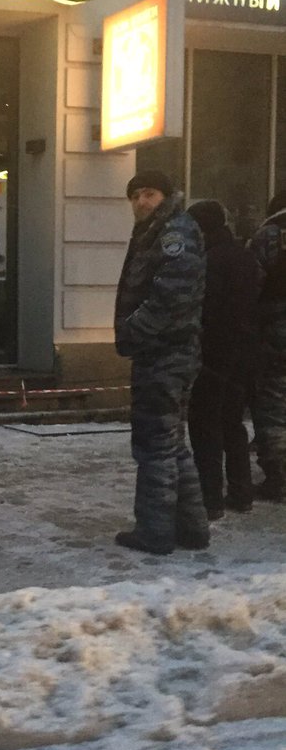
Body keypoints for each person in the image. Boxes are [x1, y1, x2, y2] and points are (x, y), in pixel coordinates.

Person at [114, 169, 208, 554]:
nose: (141, 202)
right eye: (135, 196)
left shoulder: (174, 233)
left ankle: (154, 532)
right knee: (172, 444)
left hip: (166, 354)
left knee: (154, 445)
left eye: (148, 194)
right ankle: (193, 529)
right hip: (164, 353)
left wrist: (133, 331)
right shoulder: (154, 231)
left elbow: (171, 297)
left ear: (164, 196)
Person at [186, 201, 261, 518]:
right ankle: (241, 492)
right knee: (232, 422)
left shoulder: (208, 261)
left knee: (204, 424)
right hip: (244, 351)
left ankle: (210, 498)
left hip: (214, 354)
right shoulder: (244, 255)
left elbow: (207, 310)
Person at [248, 190, 286, 502]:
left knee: (272, 407)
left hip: (275, 334)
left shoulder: (268, 237)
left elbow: (250, 287)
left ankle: (278, 479)